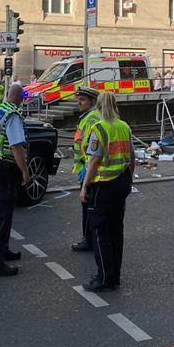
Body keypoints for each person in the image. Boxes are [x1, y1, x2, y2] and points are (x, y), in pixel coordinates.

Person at [79, 92, 136, 292]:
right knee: (116, 231)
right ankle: (115, 275)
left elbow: (94, 160)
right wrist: (128, 177)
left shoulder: (99, 128)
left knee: (99, 232)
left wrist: (85, 186)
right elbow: (132, 156)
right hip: (121, 183)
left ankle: (104, 277)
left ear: (100, 107)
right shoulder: (124, 126)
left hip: (102, 186)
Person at [0, 84, 30, 276]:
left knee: (4, 212)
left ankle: (3, 250)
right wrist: (25, 172)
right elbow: (17, 147)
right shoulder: (13, 116)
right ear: (20, 99)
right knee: (2, 216)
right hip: (4, 170)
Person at [70, 86, 101, 252]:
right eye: (78, 99)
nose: (79, 102)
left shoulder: (91, 118)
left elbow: (90, 145)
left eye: (82, 99)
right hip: (84, 167)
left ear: (93, 101)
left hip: (88, 169)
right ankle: (88, 238)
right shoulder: (87, 116)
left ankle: (88, 240)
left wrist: (87, 171)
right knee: (87, 206)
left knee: (87, 207)